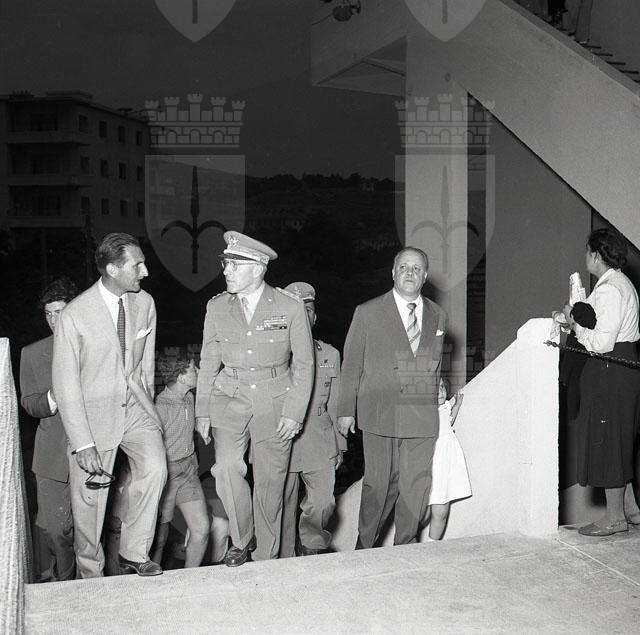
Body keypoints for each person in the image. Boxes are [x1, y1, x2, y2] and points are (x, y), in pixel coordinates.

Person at [195, 231, 314, 566]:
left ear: (259, 268)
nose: (226, 270)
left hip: (275, 402)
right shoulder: (217, 306)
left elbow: (304, 365)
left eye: (235, 265)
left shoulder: (290, 307)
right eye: (226, 263)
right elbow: (208, 360)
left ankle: (266, 559)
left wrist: (295, 413)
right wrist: (202, 411)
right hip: (229, 397)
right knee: (225, 468)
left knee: (270, 485)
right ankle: (242, 539)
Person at [52, 232, 167, 577]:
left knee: (156, 468)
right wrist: (82, 442)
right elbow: (66, 384)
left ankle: (134, 551)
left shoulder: (146, 303)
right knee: (90, 508)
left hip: (136, 409)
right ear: (113, 269)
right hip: (93, 418)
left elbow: (146, 366)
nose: (145, 272)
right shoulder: (75, 315)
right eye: (137, 265)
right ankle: (91, 575)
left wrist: (150, 409)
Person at [337, 246, 447, 548]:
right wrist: (346, 410)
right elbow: (352, 364)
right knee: (378, 486)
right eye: (403, 267)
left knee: (417, 487)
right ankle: (365, 547)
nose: (410, 272)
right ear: (393, 273)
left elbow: (433, 362)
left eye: (416, 268)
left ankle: (405, 548)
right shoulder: (367, 312)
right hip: (380, 412)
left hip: (422, 414)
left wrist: (439, 386)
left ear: (425, 276)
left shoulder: (438, 315)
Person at [561, 228, 640, 536]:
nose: (586, 257)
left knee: (608, 439)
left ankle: (614, 518)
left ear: (596, 255)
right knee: (619, 437)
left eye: (587, 251)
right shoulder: (619, 283)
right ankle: (631, 510)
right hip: (620, 368)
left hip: (610, 368)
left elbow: (602, 342)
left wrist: (576, 327)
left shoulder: (610, 290)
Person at [279, 282, 346, 557]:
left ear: (314, 317)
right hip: (281, 438)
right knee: (280, 507)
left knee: (322, 503)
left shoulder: (330, 355)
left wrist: (339, 445)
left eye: (307, 310)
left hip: (319, 438)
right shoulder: (273, 356)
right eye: (295, 309)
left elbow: (336, 404)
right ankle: (284, 560)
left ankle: (311, 551)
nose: (302, 315)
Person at [19, 276, 79, 582]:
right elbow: (29, 402)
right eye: (48, 314)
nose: (54, 320)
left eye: (60, 312)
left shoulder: (94, 346)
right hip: (51, 456)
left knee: (88, 533)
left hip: (92, 454)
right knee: (55, 530)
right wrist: (53, 397)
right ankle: (64, 583)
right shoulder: (32, 353)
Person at [151, 355, 210, 568]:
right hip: (167, 475)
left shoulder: (189, 398)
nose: (199, 372)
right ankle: (152, 580)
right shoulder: (160, 406)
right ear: (181, 377)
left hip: (189, 472)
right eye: (194, 369)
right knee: (158, 539)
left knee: (201, 530)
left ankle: (191, 578)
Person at [426, 379, 471, 541]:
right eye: (434, 388)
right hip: (435, 464)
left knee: (442, 510)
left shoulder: (445, 406)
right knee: (427, 510)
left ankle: (432, 545)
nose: (440, 392)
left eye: (442, 387)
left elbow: (448, 420)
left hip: (447, 464)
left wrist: (457, 405)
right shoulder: (425, 413)